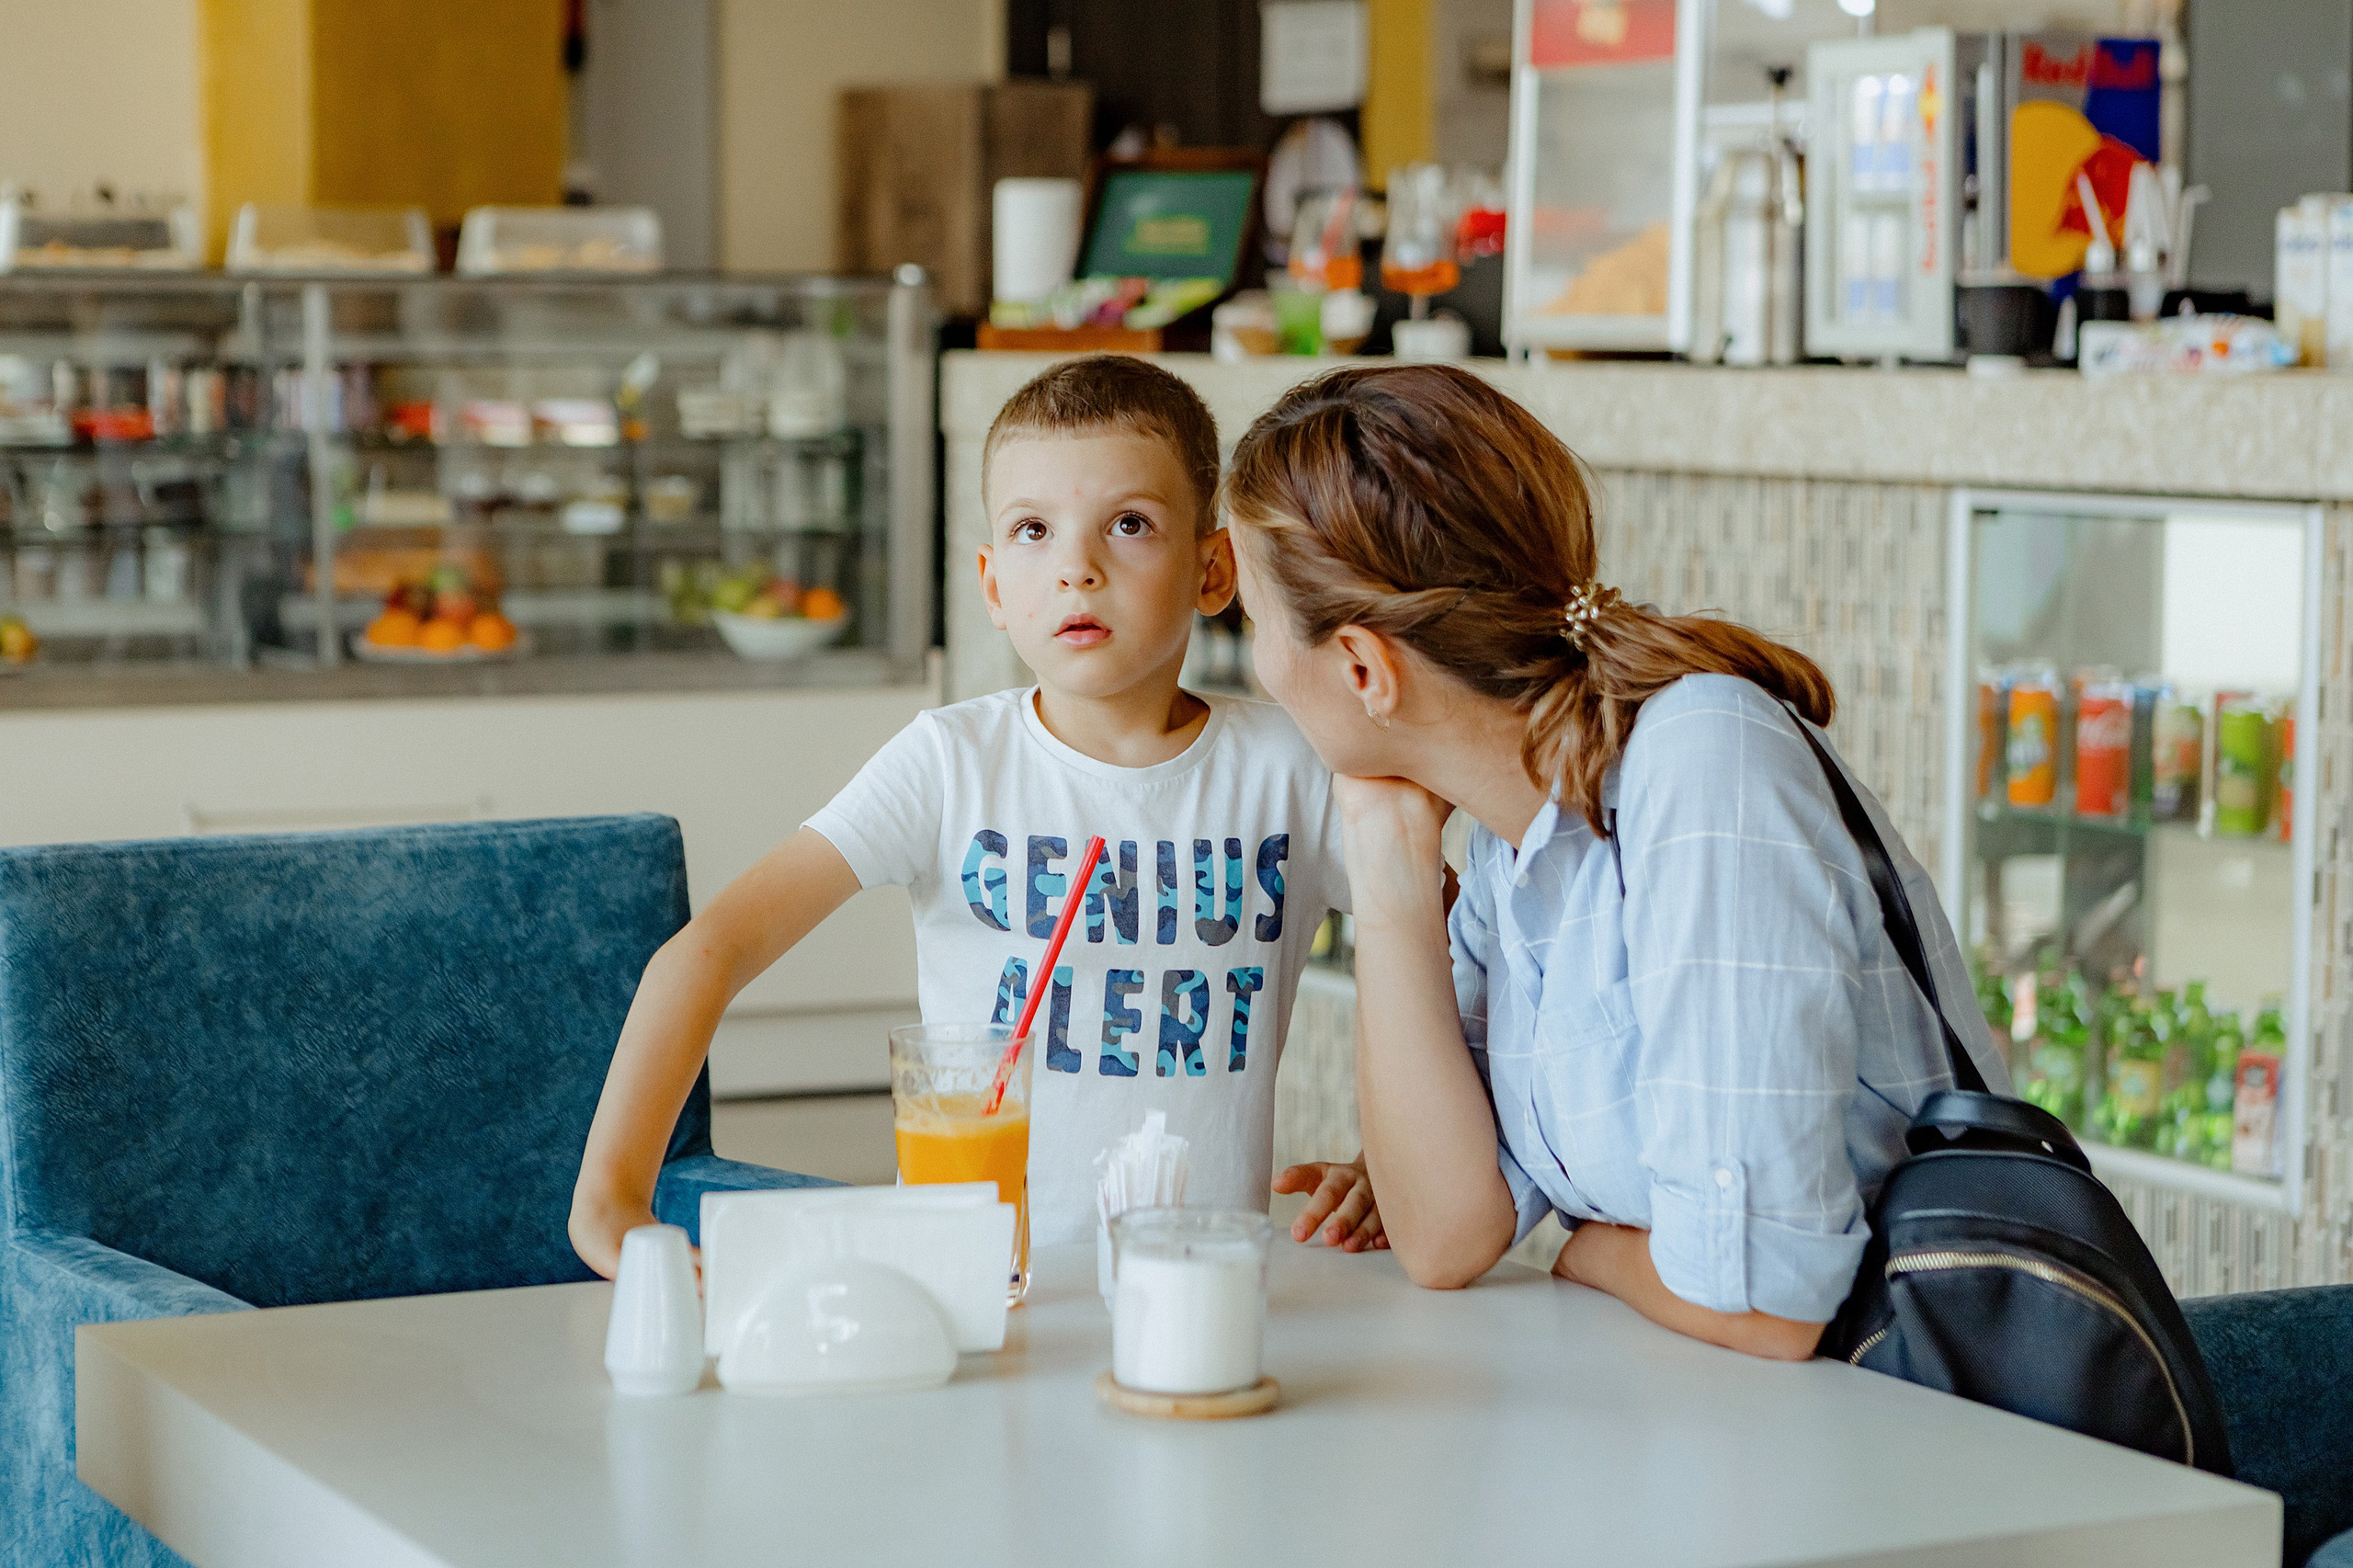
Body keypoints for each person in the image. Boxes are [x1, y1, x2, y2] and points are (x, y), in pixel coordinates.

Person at [1220, 364, 2006, 1360]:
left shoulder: (1700, 766)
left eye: (1251, 621)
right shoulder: (1515, 846)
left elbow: (1765, 1307)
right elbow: (1445, 1230)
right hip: (1737, 1441)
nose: (1254, 662)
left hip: (1944, 1444)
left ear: (1365, 669)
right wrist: (1385, 861)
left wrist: (1588, 1251)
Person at [571, 356, 1380, 1278]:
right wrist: (611, 1199)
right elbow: (711, 949)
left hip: (1204, 1287)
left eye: (1128, 523)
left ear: (1212, 568)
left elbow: (1470, 950)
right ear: (994, 587)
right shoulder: (949, 763)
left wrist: (1392, 1160)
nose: (1076, 567)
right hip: (982, 1284)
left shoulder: (1290, 768)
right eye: (1033, 530)